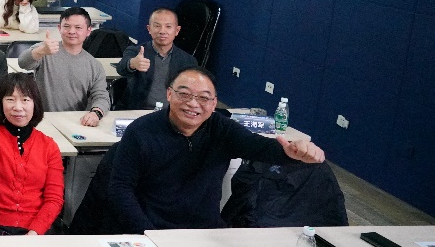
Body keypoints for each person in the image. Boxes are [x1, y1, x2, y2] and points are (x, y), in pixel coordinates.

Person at [107, 68, 326, 234]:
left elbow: (260, 147)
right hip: (152, 228)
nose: (193, 104)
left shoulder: (222, 129)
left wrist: (293, 153)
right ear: (169, 94)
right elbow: (120, 188)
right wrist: (147, 233)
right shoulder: (141, 131)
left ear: (214, 104)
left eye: (203, 98)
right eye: (184, 94)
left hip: (206, 231)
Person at [0, 72, 64, 235]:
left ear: (35, 104)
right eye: (10, 99)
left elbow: (54, 199)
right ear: (0, 103)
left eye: (25, 100)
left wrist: (35, 231)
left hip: (35, 226)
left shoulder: (49, 146)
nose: (18, 107)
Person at [16, 8, 108, 124]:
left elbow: (101, 96)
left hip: (75, 122)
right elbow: (23, 62)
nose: (72, 31)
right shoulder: (46, 49)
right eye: (67, 26)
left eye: (78, 27)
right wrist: (41, 51)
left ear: (89, 30)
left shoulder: (94, 65)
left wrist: (96, 113)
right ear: (59, 28)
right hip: (42, 119)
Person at [117, 8, 197, 110]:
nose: (162, 31)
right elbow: (121, 68)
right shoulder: (136, 51)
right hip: (138, 111)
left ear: (177, 30)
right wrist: (132, 63)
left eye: (168, 26)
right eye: (157, 26)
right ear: (149, 29)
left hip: (172, 113)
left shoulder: (188, 61)